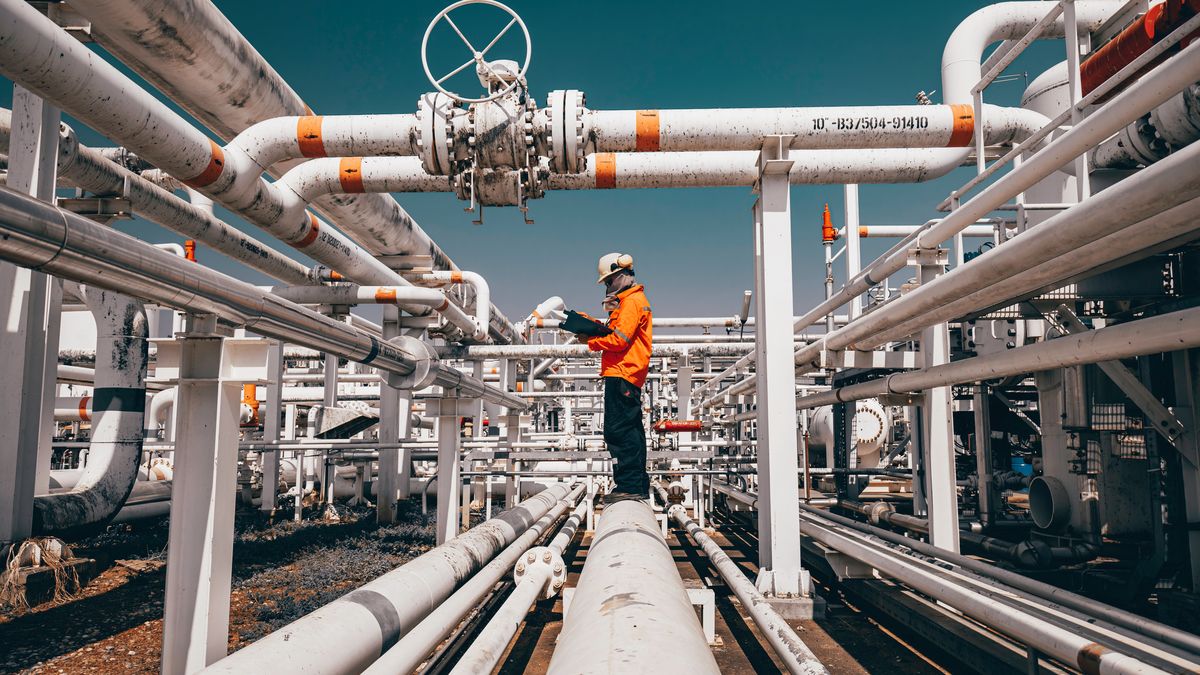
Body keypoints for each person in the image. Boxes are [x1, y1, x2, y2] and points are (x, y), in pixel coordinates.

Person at [586, 252, 653, 504]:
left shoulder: (632, 302)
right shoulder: (630, 301)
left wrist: (591, 340)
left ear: (621, 275)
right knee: (631, 429)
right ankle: (636, 483)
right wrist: (592, 326)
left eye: (608, 280)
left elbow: (619, 339)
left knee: (618, 430)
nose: (607, 285)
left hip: (623, 372)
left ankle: (629, 485)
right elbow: (618, 333)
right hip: (625, 372)